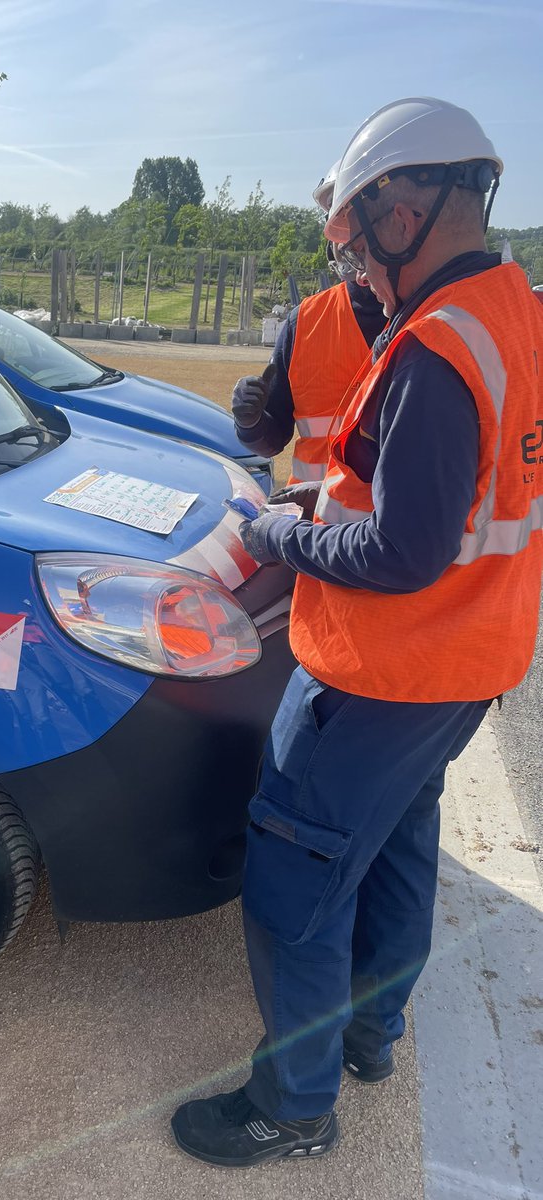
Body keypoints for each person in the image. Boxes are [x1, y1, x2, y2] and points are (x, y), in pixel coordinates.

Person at [172, 97, 543, 1167]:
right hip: (468, 664)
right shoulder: (515, 310)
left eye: (358, 241)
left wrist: (288, 537)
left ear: (403, 206)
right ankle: (372, 1037)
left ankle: (293, 1105)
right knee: (394, 854)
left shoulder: (435, 349)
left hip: (382, 672)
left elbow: (403, 552)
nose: (359, 272)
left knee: (295, 880)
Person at [232, 162, 387, 490]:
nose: (343, 234)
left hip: (391, 532)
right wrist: (251, 422)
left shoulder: (430, 316)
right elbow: (273, 439)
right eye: (334, 220)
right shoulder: (304, 322)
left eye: (349, 216)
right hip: (313, 528)